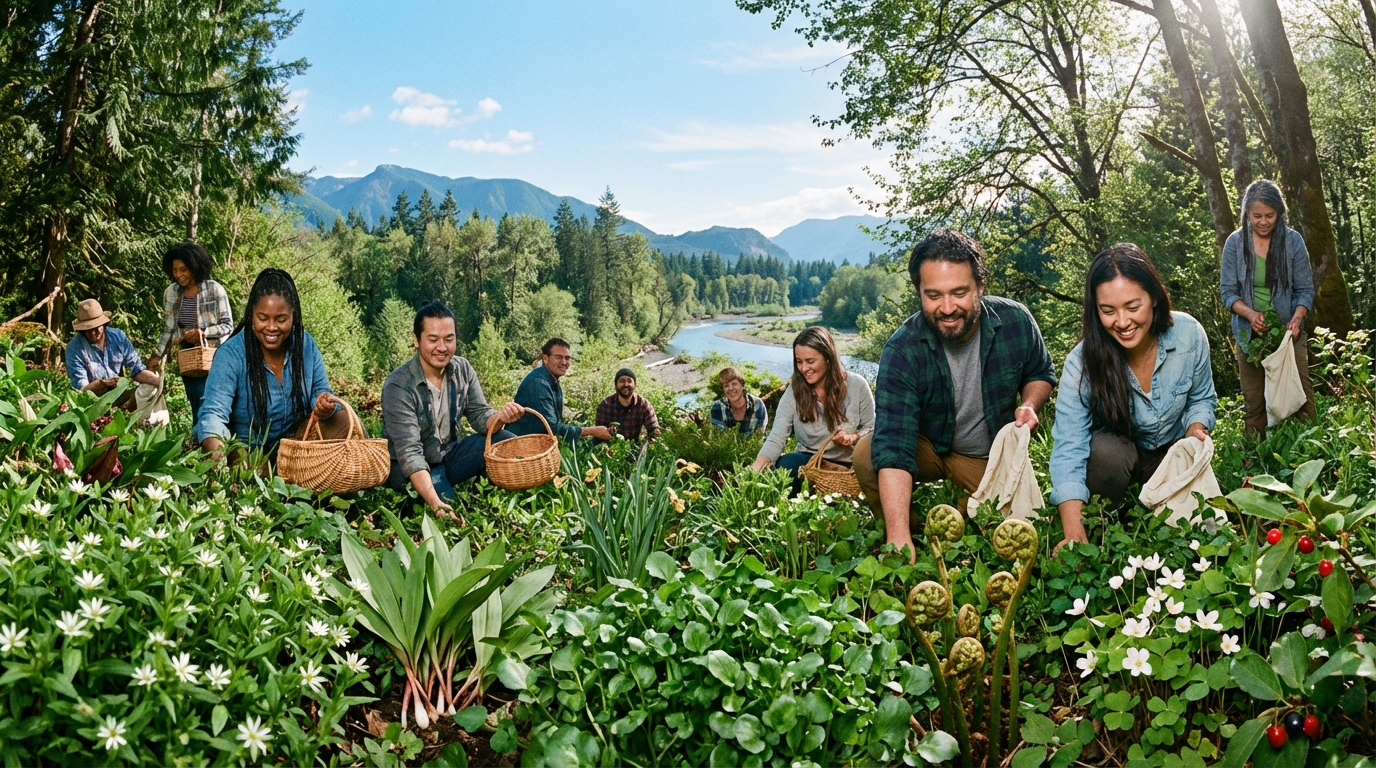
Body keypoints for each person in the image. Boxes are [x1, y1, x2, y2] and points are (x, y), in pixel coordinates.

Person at [852, 229, 1056, 559]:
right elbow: (893, 447)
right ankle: (911, 528)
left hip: (987, 460)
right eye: (933, 296)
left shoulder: (1016, 321)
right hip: (930, 449)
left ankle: (962, 512)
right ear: (919, 291)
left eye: (959, 292)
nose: (947, 308)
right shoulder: (902, 349)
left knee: (1009, 536)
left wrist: (1030, 404)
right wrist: (898, 535)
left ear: (980, 286)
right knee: (867, 452)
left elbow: (1040, 373)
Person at [1050, 244, 1218, 554]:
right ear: (1095, 310)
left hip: (1169, 457)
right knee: (1107, 452)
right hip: (1118, 460)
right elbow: (1068, 448)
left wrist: (1196, 430)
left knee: (1205, 533)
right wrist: (1073, 530)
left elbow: (1201, 397)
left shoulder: (1189, 335)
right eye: (1108, 311)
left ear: (1154, 297)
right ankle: (1101, 524)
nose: (1123, 322)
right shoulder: (1081, 363)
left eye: (1132, 306)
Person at [382, 302, 526, 515]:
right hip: (411, 471)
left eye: (449, 339)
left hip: (447, 457)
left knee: (503, 439)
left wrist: (500, 417)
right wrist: (434, 502)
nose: (442, 347)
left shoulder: (462, 369)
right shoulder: (399, 385)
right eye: (433, 339)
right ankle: (422, 502)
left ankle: (491, 503)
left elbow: (479, 414)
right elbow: (409, 453)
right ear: (416, 340)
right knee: (451, 510)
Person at [196, 268, 346, 456]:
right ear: (251, 315)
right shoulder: (231, 354)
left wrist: (323, 404)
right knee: (259, 472)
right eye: (263, 318)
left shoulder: (305, 344)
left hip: (295, 444)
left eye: (281, 319)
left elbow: (321, 390)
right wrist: (219, 460)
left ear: (293, 315)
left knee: (343, 421)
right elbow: (213, 415)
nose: (272, 327)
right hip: (248, 450)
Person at [1219, 179, 1317, 435]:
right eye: (1256, 216)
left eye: (1270, 216)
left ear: (1279, 213)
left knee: (1301, 399)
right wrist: (1250, 314)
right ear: (1247, 214)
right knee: (1254, 404)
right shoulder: (1235, 244)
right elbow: (1228, 293)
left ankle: (1307, 453)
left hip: (1287, 333)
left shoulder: (1293, 242)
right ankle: (1256, 461)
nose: (1263, 222)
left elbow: (1305, 290)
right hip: (1249, 335)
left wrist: (1297, 318)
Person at [750, 326, 874, 491]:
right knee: (785, 465)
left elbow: (872, 428)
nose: (804, 369)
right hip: (809, 462)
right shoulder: (794, 391)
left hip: (849, 465)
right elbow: (776, 437)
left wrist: (854, 437)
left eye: (810, 361)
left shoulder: (857, 385)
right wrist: (754, 471)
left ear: (828, 358)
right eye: (799, 362)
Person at [146, 241, 234, 426]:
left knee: (211, 402)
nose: (179, 275)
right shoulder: (171, 293)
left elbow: (227, 326)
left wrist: (203, 332)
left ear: (195, 267)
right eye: (175, 270)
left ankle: (213, 441)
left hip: (214, 355)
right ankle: (199, 445)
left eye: (183, 269)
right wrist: (157, 355)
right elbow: (169, 328)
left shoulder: (214, 289)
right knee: (195, 401)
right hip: (188, 357)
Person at [508, 338, 611, 442]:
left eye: (567, 358)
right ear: (545, 358)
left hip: (536, 443)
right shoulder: (538, 384)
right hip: (521, 445)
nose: (564, 362)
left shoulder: (552, 380)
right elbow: (553, 427)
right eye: (558, 357)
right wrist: (592, 431)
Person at [65, 298, 162, 407]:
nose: (94, 332)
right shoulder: (74, 349)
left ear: (103, 324)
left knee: (150, 388)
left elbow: (137, 369)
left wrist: (158, 382)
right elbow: (81, 390)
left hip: (119, 394)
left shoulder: (118, 337)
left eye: (97, 327)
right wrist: (102, 384)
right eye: (88, 329)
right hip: (94, 402)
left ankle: (128, 412)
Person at [595, 368, 661, 441]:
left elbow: (653, 428)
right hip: (611, 447)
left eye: (629, 381)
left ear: (635, 384)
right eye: (622, 381)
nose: (626, 384)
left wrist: (654, 437)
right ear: (616, 385)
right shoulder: (605, 405)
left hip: (634, 448)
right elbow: (599, 433)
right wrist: (609, 432)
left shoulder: (643, 404)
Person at [709, 367, 768, 434]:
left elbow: (758, 435)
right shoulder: (717, 407)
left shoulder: (757, 404)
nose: (730, 388)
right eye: (726, 385)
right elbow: (717, 437)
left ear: (742, 385)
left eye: (734, 384)